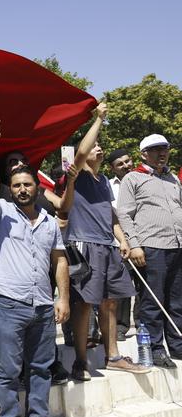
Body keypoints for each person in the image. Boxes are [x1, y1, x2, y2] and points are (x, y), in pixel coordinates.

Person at [0, 127, 70, 417]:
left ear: (37, 187)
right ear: (11, 189)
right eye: (17, 185)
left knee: (40, 367)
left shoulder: (50, 223)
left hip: (42, 306)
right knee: (9, 370)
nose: (23, 189)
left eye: (28, 184)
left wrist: (63, 297)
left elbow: (60, 260)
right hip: (9, 306)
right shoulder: (1, 212)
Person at [59, 104, 146, 380]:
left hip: (108, 246)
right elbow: (82, 151)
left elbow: (111, 215)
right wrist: (99, 119)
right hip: (85, 245)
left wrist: (123, 240)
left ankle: (113, 356)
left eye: (100, 146)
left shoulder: (104, 181)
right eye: (95, 145)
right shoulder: (77, 175)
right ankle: (81, 361)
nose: (98, 149)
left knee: (110, 302)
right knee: (85, 303)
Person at [117, 133, 182, 369]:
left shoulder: (173, 178)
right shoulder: (133, 178)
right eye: (156, 149)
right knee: (153, 302)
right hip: (151, 246)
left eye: (165, 148)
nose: (162, 153)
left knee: (177, 300)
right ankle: (155, 349)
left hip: (177, 245)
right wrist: (134, 244)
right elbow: (124, 213)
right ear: (144, 154)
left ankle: (177, 345)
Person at [106, 148, 135, 341]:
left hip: (148, 239)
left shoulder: (147, 179)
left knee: (146, 286)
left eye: (127, 161)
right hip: (121, 242)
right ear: (112, 168)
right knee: (123, 286)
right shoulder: (108, 186)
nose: (125, 166)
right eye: (120, 164)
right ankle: (120, 327)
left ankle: (144, 324)